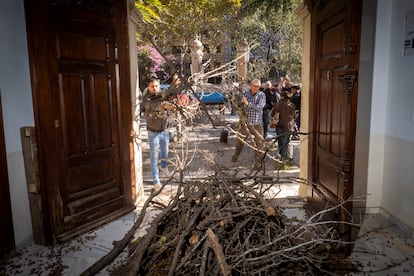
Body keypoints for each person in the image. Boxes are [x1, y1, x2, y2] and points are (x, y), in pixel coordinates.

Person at [141, 78, 174, 191]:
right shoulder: (147, 99)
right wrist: (162, 106)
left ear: (159, 86)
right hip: (153, 132)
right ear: (149, 87)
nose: (154, 88)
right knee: (154, 157)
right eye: (152, 86)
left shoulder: (164, 96)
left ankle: (164, 167)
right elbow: (150, 107)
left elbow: (171, 107)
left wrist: (170, 108)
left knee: (165, 152)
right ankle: (156, 180)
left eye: (156, 86)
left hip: (164, 130)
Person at [231, 78, 266, 169]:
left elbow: (259, 108)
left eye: (258, 86)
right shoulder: (245, 93)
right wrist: (234, 101)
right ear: (251, 85)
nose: (256, 88)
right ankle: (235, 156)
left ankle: (257, 162)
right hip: (245, 123)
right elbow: (237, 106)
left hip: (257, 123)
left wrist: (247, 104)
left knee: (259, 143)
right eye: (255, 86)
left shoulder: (261, 95)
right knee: (240, 141)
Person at [271, 90, 296, 160]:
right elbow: (294, 116)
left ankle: (282, 156)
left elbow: (272, 114)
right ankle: (284, 157)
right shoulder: (292, 105)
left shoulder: (278, 104)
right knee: (286, 142)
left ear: (282, 97)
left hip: (279, 125)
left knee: (280, 141)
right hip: (289, 126)